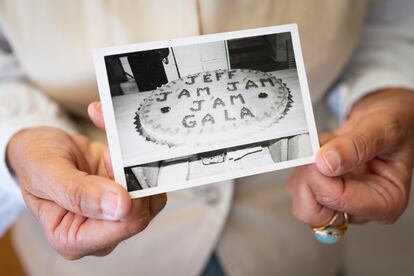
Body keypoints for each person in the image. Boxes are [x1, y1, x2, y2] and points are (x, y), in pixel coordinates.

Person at [0, 0, 413, 275]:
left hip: (294, 231)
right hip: (98, 253)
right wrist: (20, 135)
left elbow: (390, 18)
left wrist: (387, 91)